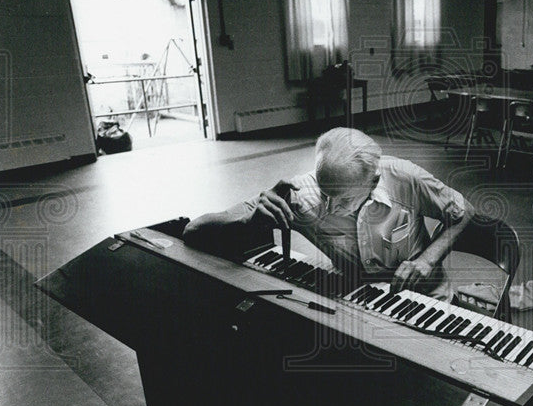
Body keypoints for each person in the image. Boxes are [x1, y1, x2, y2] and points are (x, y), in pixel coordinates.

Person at [182, 127, 474, 298]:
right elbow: (194, 230)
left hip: (425, 296)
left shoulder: (405, 177)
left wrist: (427, 259)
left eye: (343, 198)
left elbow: (464, 212)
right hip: (356, 298)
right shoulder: (298, 194)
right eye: (325, 193)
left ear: (373, 182)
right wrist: (249, 221)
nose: (330, 206)